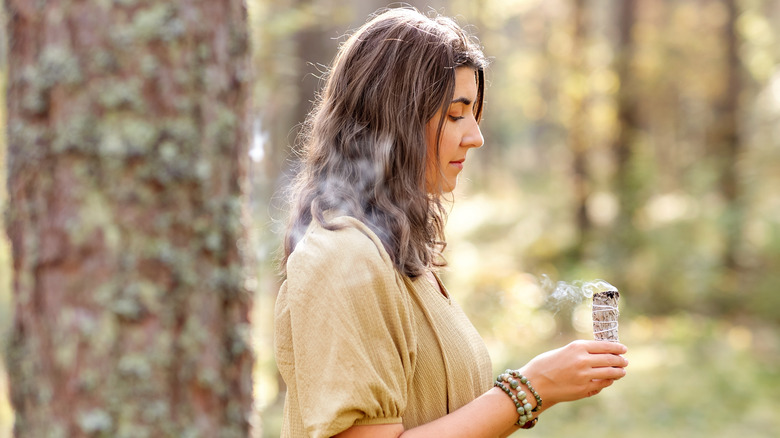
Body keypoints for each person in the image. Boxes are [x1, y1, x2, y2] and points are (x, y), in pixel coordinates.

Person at [274, 7, 628, 438]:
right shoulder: (344, 258)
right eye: (457, 114)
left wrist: (539, 388)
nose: (475, 135)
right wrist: (531, 388)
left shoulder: (393, 251)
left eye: (474, 114)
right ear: (396, 118)